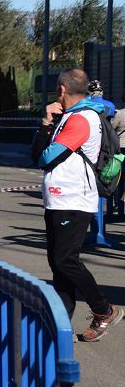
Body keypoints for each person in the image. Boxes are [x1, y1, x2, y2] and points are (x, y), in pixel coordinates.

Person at [33, 69, 122, 341]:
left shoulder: (82, 119)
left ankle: (103, 309)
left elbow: (46, 156)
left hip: (73, 199)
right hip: (60, 198)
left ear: (62, 90)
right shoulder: (70, 117)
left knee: (65, 260)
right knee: (58, 263)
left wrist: (47, 125)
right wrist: (48, 123)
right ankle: (61, 324)